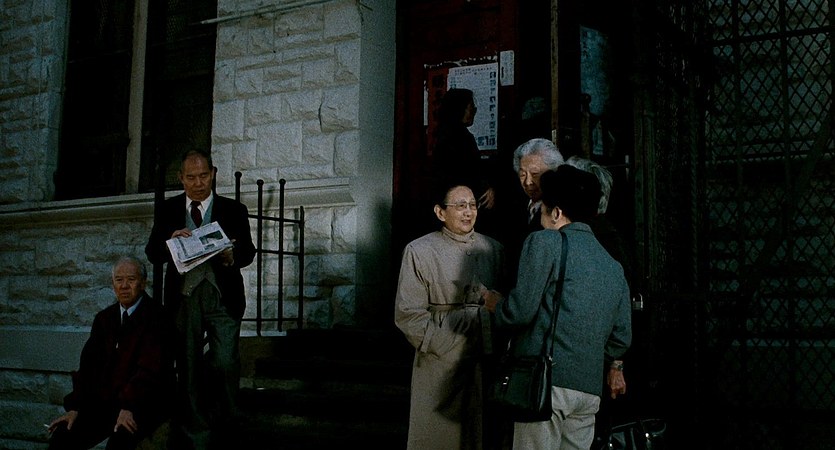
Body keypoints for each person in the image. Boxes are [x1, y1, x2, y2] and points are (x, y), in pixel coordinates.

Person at [484, 165, 632, 450]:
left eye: (542, 208)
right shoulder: (613, 266)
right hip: (588, 391)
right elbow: (620, 338)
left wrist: (495, 305)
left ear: (556, 212)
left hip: (545, 384)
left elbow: (519, 312)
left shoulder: (545, 242)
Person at [145, 149, 256, 450]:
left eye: (204, 176)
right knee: (188, 366)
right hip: (184, 298)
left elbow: (248, 252)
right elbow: (152, 253)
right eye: (191, 177)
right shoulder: (169, 209)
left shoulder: (233, 209)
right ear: (181, 178)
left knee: (225, 361)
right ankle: (198, 434)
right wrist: (170, 242)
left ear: (213, 174)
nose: (198, 183)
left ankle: (230, 422)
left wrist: (232, 255)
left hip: (222, 296)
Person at [394, 182, 505, 450]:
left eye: (473, 205)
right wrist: (443, 341)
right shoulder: (419, 250)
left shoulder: (494, 249)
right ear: (440, 212)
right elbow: (408, 315)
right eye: (460, 206)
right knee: (439, 437)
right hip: (440, 363)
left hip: (484, 360)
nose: (468, 212)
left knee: (481, 434)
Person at [47, 257, 173, 450]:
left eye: (131, 280)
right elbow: (88, 367)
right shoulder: (104, 319)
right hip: (107, 403)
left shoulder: (157, 317)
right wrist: (76, 407)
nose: (124, 286)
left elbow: (149, 371)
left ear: (143, 283)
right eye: (119, 280)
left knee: (120, 441)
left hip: (143, 403)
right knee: (63, 436)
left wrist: (128, 406)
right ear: (113, 284)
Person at [498, 138, 565, 279]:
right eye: (522, 174)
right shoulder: (514, 207)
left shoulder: (560, 212)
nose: (528, 182)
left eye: (535, 174)